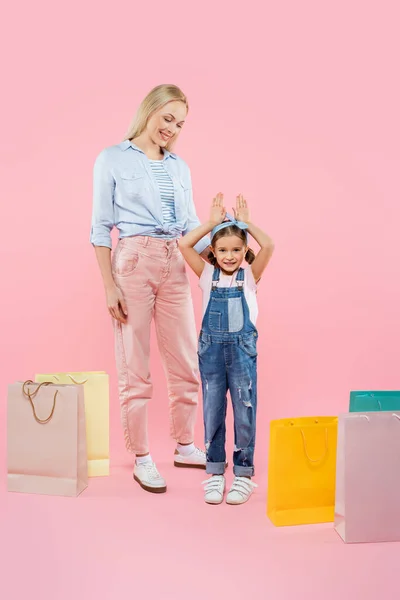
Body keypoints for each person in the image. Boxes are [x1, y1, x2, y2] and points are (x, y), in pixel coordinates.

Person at [90, 84, 211, 494]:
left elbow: (192, 225)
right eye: (167, 118)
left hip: (176, 259)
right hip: (134, 261)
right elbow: (100, 229)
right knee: (135, 364)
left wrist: (227, 251)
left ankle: (185, 444)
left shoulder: (180, 167)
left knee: (185, 360)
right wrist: (110, 286)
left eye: (179, 123)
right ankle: (142, 456)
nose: (172, 128)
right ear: (150, 110)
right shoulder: (111, 159)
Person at [179, 193, 274, 504]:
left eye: (236, 249)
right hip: (212, 354)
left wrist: (247, 224)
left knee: (245, 410)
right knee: (213, 410)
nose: (230, 256)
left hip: (242, 352)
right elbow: (184, 245)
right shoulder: (207, 274)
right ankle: (216, 472)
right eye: (222, 250)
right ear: (214, 252)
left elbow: (269, 246)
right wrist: (211, 223)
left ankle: (243, 474)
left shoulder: (249, 275)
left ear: (246, 250)